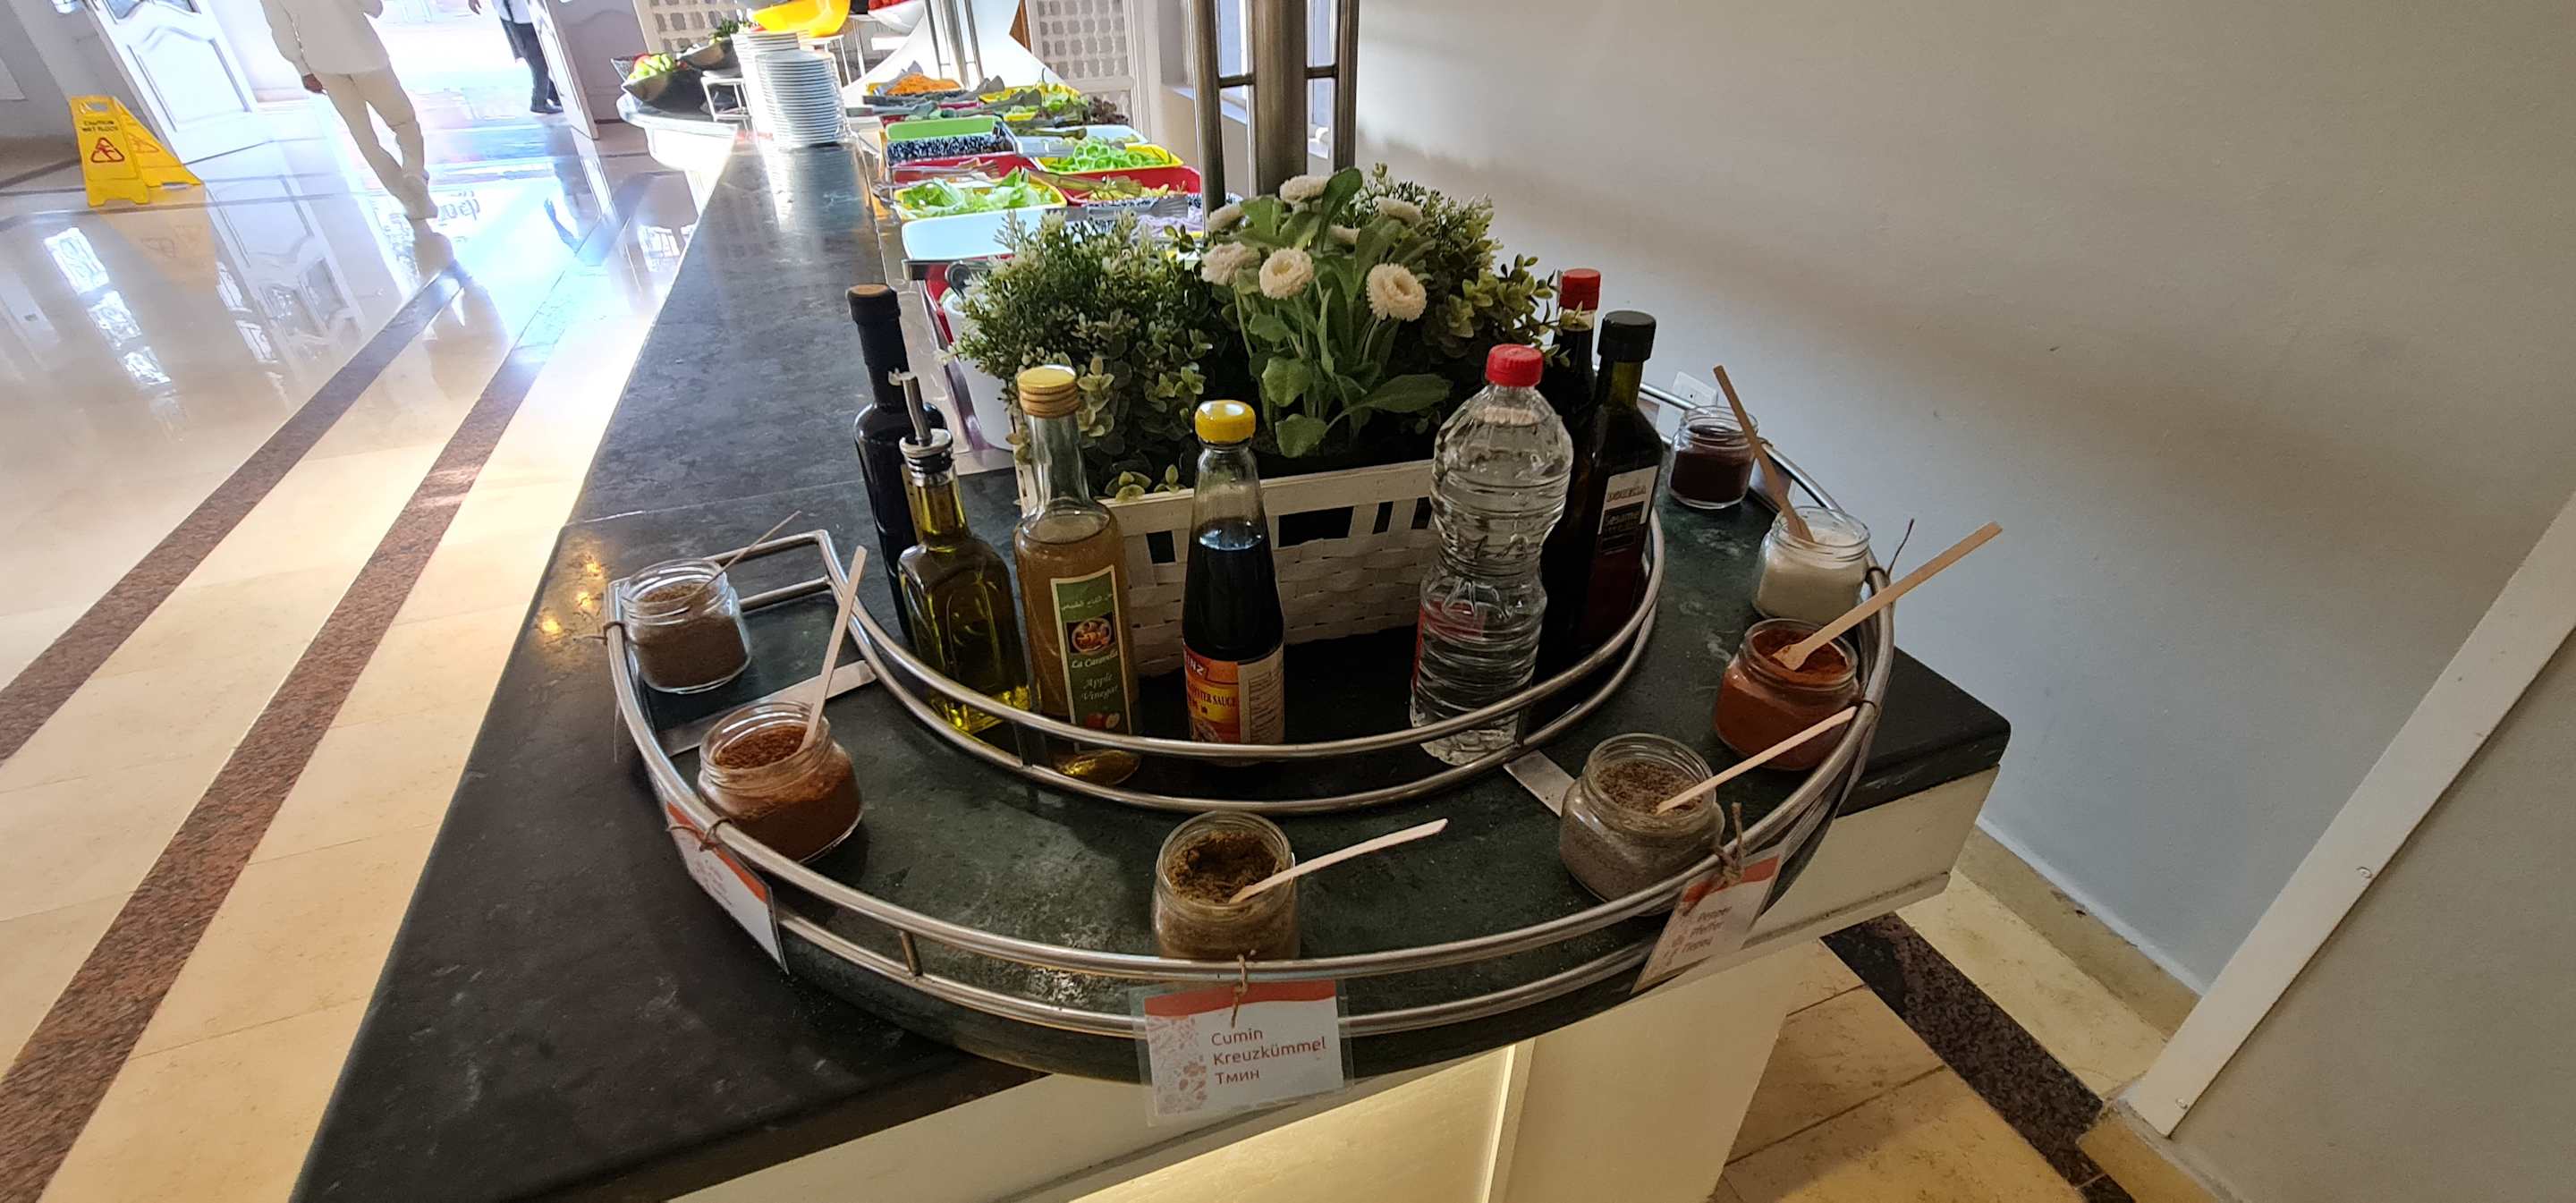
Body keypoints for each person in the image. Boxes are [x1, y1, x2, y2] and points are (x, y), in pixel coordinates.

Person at [257, 0, 435, 220]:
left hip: (322, 63)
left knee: (363, 135)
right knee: (403, 121)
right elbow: (374, 8)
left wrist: (303, 70)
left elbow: (281, 30)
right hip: (365, 53)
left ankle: (404, 195)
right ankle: (413, 171)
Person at [469, 0, 562, 114]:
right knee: (539, 63)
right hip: (520, 17)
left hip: (517, 14)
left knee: (537, 60)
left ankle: (551, 94)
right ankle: (539, 102)